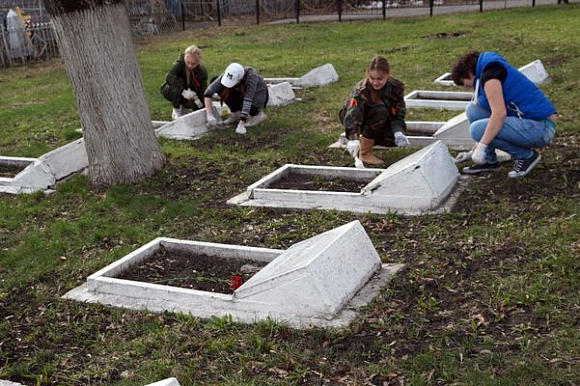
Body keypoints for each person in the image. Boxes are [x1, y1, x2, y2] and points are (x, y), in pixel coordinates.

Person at [451, 51, 557, 178]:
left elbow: (499, 114)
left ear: (468, 73)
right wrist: (474, 150)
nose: (468, 87)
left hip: (541, 127)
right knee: (473, 110)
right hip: (528, 121)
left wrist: (482, 145)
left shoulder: (490, 77)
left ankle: (526, 156)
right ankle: (489, 161)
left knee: (477, 130)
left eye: (465, 83)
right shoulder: (489, 69)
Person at [339, 56, 409, 168]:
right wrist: (353, 137)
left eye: (380, 79)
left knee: (391, 139)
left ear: (388, 75)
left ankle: (367, 140)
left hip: (379, 120)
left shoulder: (396, 87)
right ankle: (365, 153)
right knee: (380, 110)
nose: (375, 82)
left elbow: (396, 113)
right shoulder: (361, 90)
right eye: (372, 78)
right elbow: (352, 113)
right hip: (358, 119)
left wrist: (398, 132)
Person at [204, 63, 268, 135]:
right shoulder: (229, 73)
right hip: (241, 92)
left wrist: (241, 123)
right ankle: (236, 113)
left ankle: (257, 115)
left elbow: (248, 100)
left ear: (239, 79)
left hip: (258, 97)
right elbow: (208, 92)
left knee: (243, 101)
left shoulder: (252, 77)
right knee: (215, 81)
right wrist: (209, 115)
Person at [160, 45, 208, 119]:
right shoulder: (179, 64)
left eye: (193, 64)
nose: (190, 65)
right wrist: (183, 92)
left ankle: (195, 111)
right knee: (179, 82)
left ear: (198, 62)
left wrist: (203, 108)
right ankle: (177, 109)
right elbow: (169, 77)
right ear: (185, 57)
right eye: (188, 62)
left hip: (191, 93)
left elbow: (202, 90)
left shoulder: (201, 71)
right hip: (171, 90)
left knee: (198, 102)